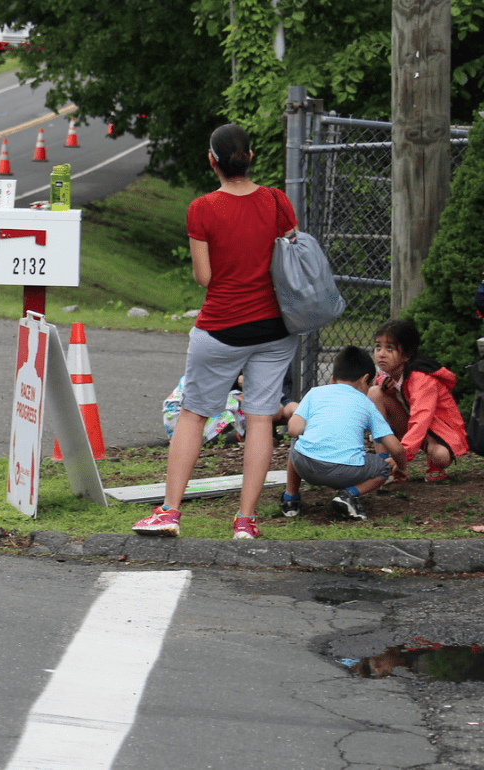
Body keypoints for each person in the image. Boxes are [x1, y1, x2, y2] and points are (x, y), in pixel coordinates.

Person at [132, 123, 298, 541]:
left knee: (193, 414)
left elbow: (204, 277)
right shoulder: (277, 201)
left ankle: (169, 512)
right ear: (251, 157)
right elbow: (293, 260)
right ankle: (246, 520)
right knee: (261, 418)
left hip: (221, 327)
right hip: (275, 328)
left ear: (213, 162)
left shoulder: (202, 208)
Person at [279, 346, 408, 521]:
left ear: (332, 379)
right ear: (365, 380)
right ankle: (348, 495)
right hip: (346, 472)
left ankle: (290, 499)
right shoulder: (366, 403)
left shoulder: (314, 393)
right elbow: (396, 447)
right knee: (383, 467)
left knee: (298, 445)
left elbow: (293, 430)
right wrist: (400, 467)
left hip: (306, 466)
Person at [368, 318, 469, 481]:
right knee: (375, 393)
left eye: (390, 348)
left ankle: (421, 464)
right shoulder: (387, 370)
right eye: (378, 346)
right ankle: (383, 464)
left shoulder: (422, 379)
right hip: (412, 424)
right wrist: (382, 384)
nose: (381, 353)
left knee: (440, 456)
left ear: (407, 355)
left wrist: (401, 458)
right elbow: (382, 384)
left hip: (436, 430)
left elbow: (421, 420)